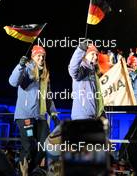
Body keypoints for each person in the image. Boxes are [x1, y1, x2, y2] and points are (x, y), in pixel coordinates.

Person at [9, 45, 60, 173]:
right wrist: (20, 66)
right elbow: (13, 82)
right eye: (39, 55)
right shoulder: (26, 69)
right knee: (29, 147)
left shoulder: (45, 74)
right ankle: (22, 172)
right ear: (33, 57)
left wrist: (53, 114)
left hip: (40, 116)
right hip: (25, 116)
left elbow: (48, 98)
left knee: (46, 145)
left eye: (43, 56)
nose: (41, 58)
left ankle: (29, 171)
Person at [68, 39, 106, 121]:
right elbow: (72, 69)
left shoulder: (94, 73)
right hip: (82, 117)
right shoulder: (82, 68)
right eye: (92, 54)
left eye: (96, 54)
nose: (95, 57)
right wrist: (80, 49)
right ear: (85, 55)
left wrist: (101, 111)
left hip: (95, 117)